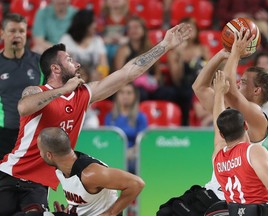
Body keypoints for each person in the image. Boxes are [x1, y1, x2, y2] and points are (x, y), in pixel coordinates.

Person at [0, 23, 193, 215]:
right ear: (56, 69)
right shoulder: (36, 92)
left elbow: (128, 73)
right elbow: (23, 107)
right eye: (69, 60)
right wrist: (63, 90)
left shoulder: (84, 94)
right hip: (10, 173)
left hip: (38, 185)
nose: (77, 64)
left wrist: (165, 45)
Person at [191, 28, 268, 212]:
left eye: (245, 82)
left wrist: (236, 53)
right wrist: (223, 54)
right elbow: (199, 87)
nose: (239, 82)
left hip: (235, 199)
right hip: (217, 192)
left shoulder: (257, 115)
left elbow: (230, 87)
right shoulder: (229, 109)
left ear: (257, 91)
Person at [212, 70, 268, 215]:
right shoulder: (252, 151)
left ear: (222, 134)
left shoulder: (217, 156)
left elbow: (217, 123)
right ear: (246, 126)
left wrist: (219, 95)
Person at [37, 127, 144, 216]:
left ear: (49, 155)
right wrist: (68, 210)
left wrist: (110, 213)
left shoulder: (90, 173)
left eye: (40, 151)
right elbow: (85, 200)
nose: (39, 155)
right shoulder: (61, 168)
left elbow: (136, 183)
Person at [0, 13, 43, 160]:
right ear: (2, 33)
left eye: (21, 31)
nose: (17, 35)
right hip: (3, 134)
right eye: (12, 31)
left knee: (35, 181)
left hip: (33, 133)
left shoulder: (40, 62)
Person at [167, 17, 210, 125]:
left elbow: (211, 71)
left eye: (191, 29)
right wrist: (180, 57)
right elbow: (177, 79)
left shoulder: (203, 49)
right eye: (184, 30)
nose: (188, 32)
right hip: (184, 87)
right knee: (186, 93)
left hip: (202, 85)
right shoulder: (173, 53)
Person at [104, 83, 148, 174]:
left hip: (133, 157)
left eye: (129, 93)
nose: (125, 96)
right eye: (122, 92)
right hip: (114, 154)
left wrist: (128, 153)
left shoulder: (141, 117)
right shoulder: (110, 117)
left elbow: (142, 142)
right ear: (117, 96)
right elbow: (108, 141)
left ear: (135, 96)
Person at [59, 9, 109, 82]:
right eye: (93, 22)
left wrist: (100, 77)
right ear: (85, 24)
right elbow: (62, 65)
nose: (96, 25)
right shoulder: (67, 39)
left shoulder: (97, 40)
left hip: (93, 81)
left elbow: (104, 65)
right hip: (71, 80)